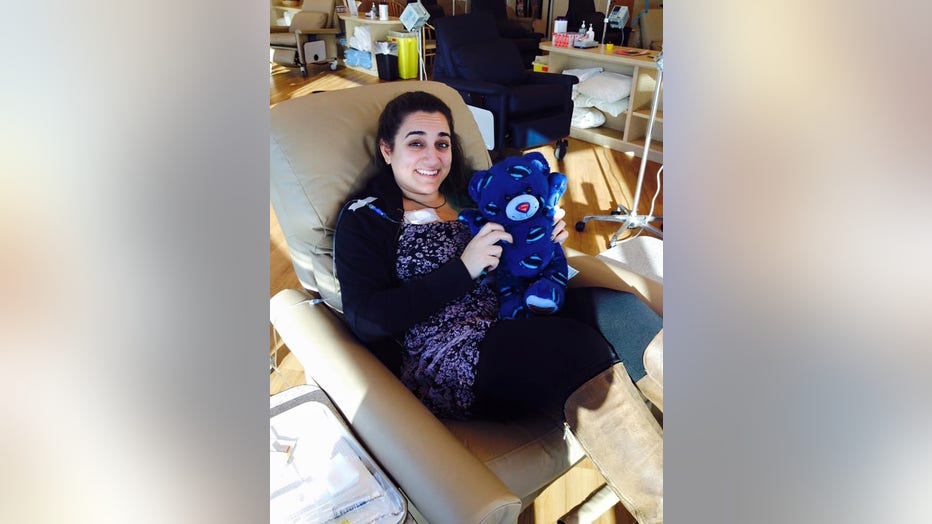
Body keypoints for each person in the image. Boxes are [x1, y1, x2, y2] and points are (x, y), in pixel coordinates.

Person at [334, 91, 663, 522]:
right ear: (387, 149)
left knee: (620, 311)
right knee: (575, 348)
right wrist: (462, 268)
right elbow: (366, 318)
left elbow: (519, 246)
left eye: (443, 142)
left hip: (514, 310)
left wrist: (543, 242)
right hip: (451, 353)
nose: (432, 156)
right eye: (416, 142)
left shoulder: (473, 194)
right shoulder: (367, 217)